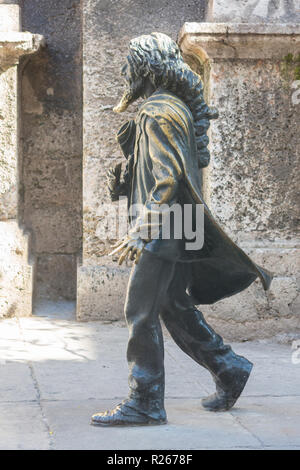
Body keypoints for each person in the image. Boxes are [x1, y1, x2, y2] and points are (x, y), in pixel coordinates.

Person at [91, 33, 272, 426]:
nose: (125, 71)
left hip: (163, 225)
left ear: (144, 68)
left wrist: (142, 231)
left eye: (129, 64)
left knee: (139, 311)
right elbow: (171, 171)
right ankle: (228, 367)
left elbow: (169, 178)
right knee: (173, 303)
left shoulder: (158, 111)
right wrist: (123, 182)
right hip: (177, 220)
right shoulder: (169, 107)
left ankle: (145, 400)